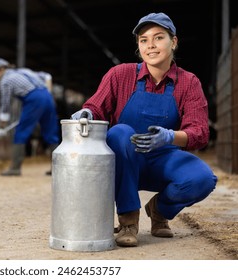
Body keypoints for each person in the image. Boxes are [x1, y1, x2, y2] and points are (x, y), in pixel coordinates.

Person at [71, 12, 217, 247]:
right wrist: (86, 114)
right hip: (124, 160)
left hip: (163, 157)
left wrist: (170, 137)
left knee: (203, 179)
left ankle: (159, 211)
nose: (151, 45)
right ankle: (128, 220)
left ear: (174, 42)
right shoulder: (120, 75)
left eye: (158, 38)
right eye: (143, 40)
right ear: (139, 46)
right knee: (119, 133)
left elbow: (200, 133)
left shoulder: (189, 82)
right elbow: (95, 107)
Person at [0, 58, 59, 176]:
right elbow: (47, 76)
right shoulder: (24, 71)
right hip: (47, 97)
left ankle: (15, 168)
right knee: (51, 133)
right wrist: (48, 93)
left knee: (21, 132)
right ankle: (57, 168)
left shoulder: (5, 81)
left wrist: (2, 127)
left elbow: (5, 105)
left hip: (33, 99)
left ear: (1, 69)